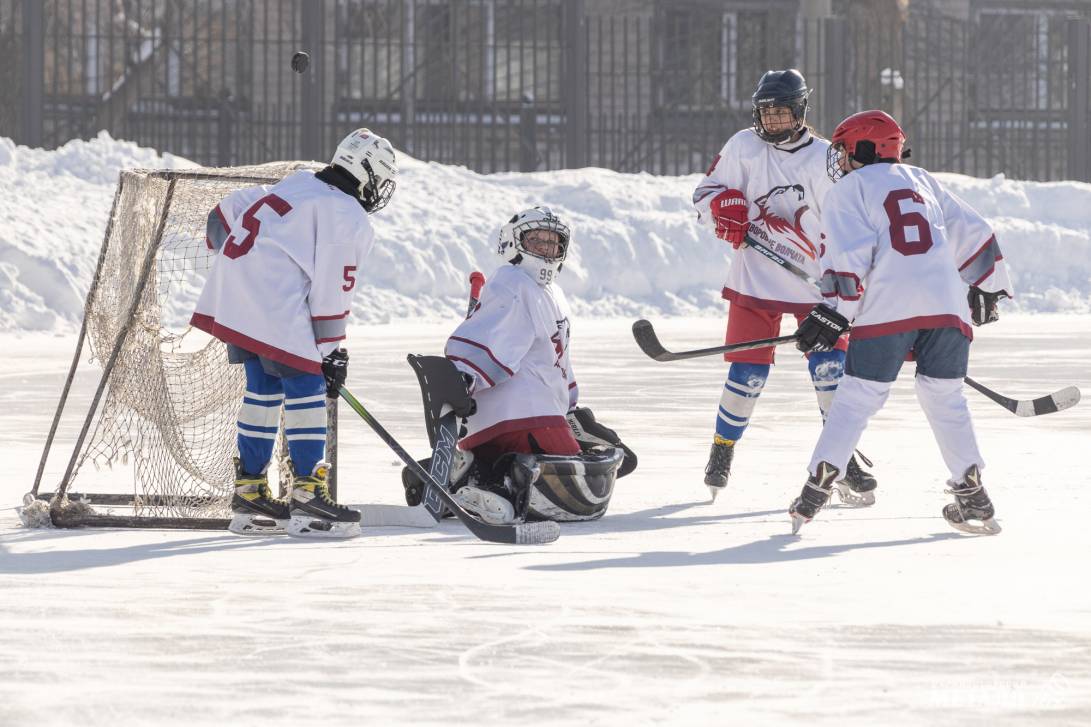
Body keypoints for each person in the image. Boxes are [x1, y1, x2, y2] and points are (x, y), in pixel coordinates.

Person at [788, 110, 1012, 535]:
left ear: (861, 149)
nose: (838, 159)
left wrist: (834, 311)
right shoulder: (923, 179)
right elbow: (977, 232)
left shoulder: (848, 190)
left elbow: (850, 258)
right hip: (947, 308)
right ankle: (973, 497)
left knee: (856, 399)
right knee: (945, 398)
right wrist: (988, 287)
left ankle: (816, 488)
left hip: (888, 307)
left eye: (842, 149)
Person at [191, 128, 398, 538]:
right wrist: (332, 353)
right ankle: (307, 495)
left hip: (233, 294)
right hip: (272, 300)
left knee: (264, 386)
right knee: (306, 384)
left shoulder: (300, 181)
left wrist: (249, 267)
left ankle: (249, 491)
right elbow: (330, 290)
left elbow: (220, 219)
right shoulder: (347, 214)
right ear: (368, 173)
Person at [692, 68, 876, 502]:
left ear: (800, 112)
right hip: (755, 276)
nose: (773, 121)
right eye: (767, 113)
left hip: (815, 286)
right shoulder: (743, 146)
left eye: (781, 113)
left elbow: (848, 217)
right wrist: (723, 206)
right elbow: (704, 194)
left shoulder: (826, 156)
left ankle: (841, 457)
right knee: (747, 372)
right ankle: (722, 449)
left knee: (830, 372)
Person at [402, 207, 636, 524]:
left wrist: (571, 408)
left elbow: (555, 362)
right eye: (537, 240)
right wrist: (464, 379)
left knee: (582, 483)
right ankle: (485, 487)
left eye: (553, 243)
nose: (546, 248)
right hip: (525, 417)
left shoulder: (548, 292)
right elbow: (492, 336)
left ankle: (473, 473)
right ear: (513, 244)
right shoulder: (513, 283)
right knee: (577, 496)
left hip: (519, 419)